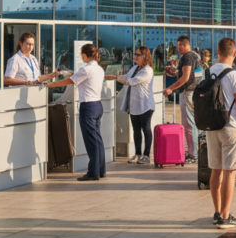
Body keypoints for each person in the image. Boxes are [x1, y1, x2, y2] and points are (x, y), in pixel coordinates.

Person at [207, 37, 236, 228]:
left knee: (215, 171)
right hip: (231, 128)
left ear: (217, 52)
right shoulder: (235, 75)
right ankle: (225, 217)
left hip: (212, 127)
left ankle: (217, 212)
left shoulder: (209, 72)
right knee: (230, 173)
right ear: (234, 54)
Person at [47, 44, 106, 181]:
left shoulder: (85, 69)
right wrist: (69, 73)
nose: (81, 57)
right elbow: (80, 78)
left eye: (81, 55)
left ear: (85, 55)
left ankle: (93, 172)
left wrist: (49, 84)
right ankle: (100, 170)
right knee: (98, 140)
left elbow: (69, 81)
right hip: (97, 105)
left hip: (88, 107)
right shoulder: (98, 69)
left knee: (91, 141)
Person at [106, 46, 155, 164]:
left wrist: (115, 77)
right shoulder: (134, 68)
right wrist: (111, 76)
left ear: (145, 56)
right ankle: (138, 154)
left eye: (138, 55)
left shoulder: (147, 70)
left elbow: (130, 82)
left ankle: (146, 155)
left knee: (146, 129)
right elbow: (126, 77)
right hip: (134, 105)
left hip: (145, 105)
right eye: (135, 54)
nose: (136, 57)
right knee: (136, 130)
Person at [163, 35, 201, 164]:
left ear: (183, 45)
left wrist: (170, 88)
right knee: (194, 123)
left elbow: (185, 78)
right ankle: (196, 151)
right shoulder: (196, 55)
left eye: (179, 45)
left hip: (188, 92)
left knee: (189, 123)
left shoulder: (187, 56)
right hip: (196, 92)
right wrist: (174, 73)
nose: (178, 48)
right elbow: (190, 75)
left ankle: (192, 154)